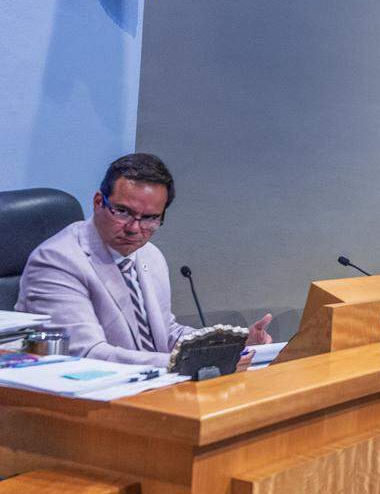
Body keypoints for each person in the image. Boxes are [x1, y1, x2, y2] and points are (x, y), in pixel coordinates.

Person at [16, 153, 272, 366]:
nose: (134, 228)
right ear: (97, 202)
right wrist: (184, 364)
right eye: (123, 211)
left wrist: (230, 347)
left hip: (152, 391)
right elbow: (86, 355)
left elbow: (165, 333)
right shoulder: (58, 261)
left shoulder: (150, 255)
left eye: (150, 218)